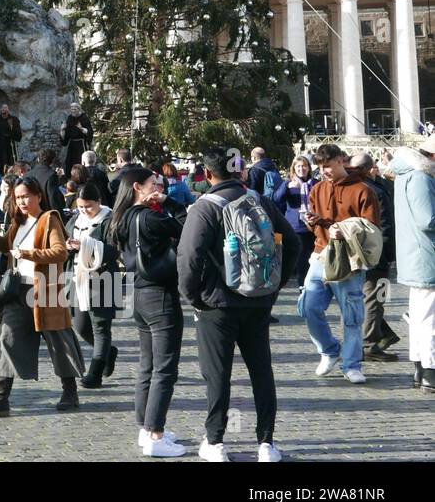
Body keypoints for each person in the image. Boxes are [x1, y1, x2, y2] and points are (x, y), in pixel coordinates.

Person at [179, 148, 300, 462]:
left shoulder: (205, 207)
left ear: (208, 175)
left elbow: (189, 257)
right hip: (258, 301)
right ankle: (267, 444)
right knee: (261, 370)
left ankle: (216, 442)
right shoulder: (260, 201)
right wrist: (274, 287)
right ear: (240, 172)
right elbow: (293, 242)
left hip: (217, 303)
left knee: (218, 373)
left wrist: (193, 296)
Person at [0, 176, 85, 416]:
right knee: (7, 338)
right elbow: (8, 247)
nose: (21, 201)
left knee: (58, 342)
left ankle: (70, 391)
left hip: (45, 290)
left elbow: (59, 252)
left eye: (26, 196)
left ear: (38, 196)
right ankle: (0, 398)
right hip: (17, 292)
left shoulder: (49, 219)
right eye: (18, 197)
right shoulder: (17, 222)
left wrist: (27, 253)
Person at [110, 166, 185, 455]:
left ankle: (146, 427)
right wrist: (170, 203)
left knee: (148, 365)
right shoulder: (152, 217)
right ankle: (155, 434)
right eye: (154, 183)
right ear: (138, 187)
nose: (159, 187)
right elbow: (187, 226)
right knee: (164, 368)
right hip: (160, 294)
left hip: (139, 293)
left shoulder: (123, 216)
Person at [303, 144, 380, 384]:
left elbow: (372, 228)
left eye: (328, 166)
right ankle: (329, 350)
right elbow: (316, 225)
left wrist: (345, 231)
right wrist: (312, 222)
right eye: (321, 167)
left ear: (341, 161)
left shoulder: (363, 190)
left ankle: (352, 364)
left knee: (352, 316)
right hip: (320, 254)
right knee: (308, 306)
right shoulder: (316, 189)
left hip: (350, 259)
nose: (324, 171)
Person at [387, 145, 435, 392]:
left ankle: (420, 367)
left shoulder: (408, 175)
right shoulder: (420, 177)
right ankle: (429, 370)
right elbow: (427, 219)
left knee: (420, 317)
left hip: (417, 254)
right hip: (427, 256)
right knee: (428, 319)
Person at [350, 153, 402, 362]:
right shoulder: (375, 191)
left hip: (355, 254)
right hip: (376, 254)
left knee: (367, 298)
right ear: (371, 169)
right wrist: (389, 255)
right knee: (376, 298)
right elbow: (385, 226)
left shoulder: (348, 188)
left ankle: (381, 335)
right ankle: (371, 344)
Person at [68, 183, 119, 389]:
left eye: (88, 206)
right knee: (80, 326)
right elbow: (64, 237)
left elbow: (114, 250)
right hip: (78, 278)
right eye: (80, 207)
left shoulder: (110, 220)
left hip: (103, 278)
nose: (84, 211)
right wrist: (68, 245)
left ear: (99, 202)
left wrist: (85, 246)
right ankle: (108, 352)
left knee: (100, 326)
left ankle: (95, 373)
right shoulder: (75, 219)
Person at [283, 155, 317, 286]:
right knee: (302, 259)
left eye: (304, 166)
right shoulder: (288, 183)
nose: (301, 169)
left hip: (313, 224)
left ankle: (312, 285)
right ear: (294, 168)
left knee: (312, 258)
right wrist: (287, 187)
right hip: (297, 226)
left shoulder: (315, 183)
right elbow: (276, 199)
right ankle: (303, 286)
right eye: (298, 166)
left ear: (308, 168)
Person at [59, 103, 94, 176]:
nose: (73, 111)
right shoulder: (70, 118)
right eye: (71, 109)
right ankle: (70, 178)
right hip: (72, 144)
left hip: (81, 144)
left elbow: (90, 132)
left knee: (81, 161)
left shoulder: (84, 118)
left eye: (74, 109)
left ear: (79, 109)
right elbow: (67, 134)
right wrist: (62, 130)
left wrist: (82, 129)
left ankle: (82, 177)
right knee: (69, 162)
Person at [0, 104, 22, 168]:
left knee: (11, 165)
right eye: (2, 108)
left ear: (8, 111)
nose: (4, 110)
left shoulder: (13, 120)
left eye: (5, 108)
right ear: (0, 110)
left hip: (10, 147)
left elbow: (18, 136)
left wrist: (11, 131)